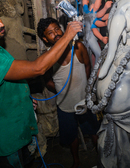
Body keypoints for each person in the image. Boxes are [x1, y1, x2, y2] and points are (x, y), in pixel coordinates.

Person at [0, 0, 82, 168]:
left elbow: (3, 83)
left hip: (15, 125)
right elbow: (37, 68)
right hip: (4, 137)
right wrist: (68, 35)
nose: (0, 24)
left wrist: (23, 97)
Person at [37, 17, 99, 168]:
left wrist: (87, 90)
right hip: (64, 106)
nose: (56, 33)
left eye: (57, 29)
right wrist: (60, 89)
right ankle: (76, 160)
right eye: (50, 33)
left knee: (94, 131)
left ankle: (101, 156)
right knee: (71, 136)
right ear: (45, 38)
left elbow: (87, 67)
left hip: (84, 101)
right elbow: (47, 80)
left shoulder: (78, 47)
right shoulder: (47, 58)